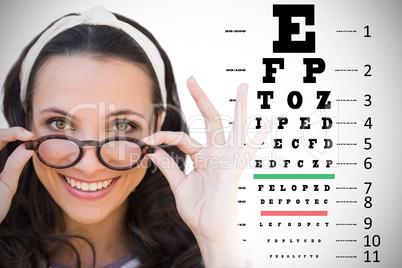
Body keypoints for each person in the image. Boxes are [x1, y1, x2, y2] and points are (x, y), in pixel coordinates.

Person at [0, 6, 267, 268]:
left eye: (123, 126)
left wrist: (216, 244)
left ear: (157, 126)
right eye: (59, 123)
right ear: (26, 120)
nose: (89, 166)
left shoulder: (215, 259)